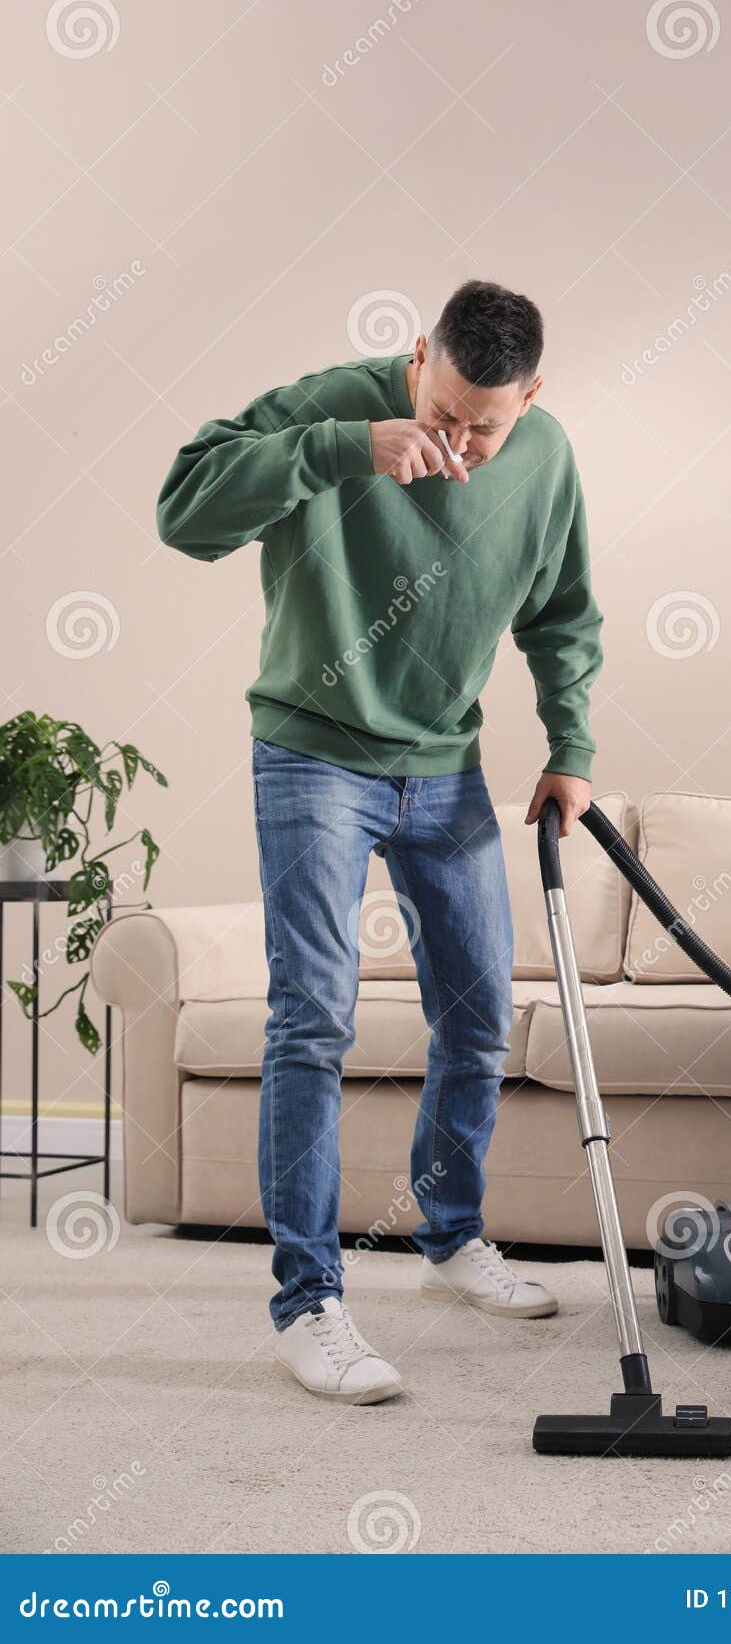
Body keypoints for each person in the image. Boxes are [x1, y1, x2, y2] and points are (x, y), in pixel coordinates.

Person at [157, 280, 603, 1403]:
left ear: (531, 399)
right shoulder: (337, 410)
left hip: (445, 763)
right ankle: (308, 1302)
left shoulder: (544, 459)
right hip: (311, 751)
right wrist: (343, 448)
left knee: (479, 1012)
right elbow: (184, 512)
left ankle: (450, 1238)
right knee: (314, 1015)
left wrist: (572, 745)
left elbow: (561, 615)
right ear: (415, 359)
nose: (456, 443)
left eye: (482, 426)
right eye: (441, 412)